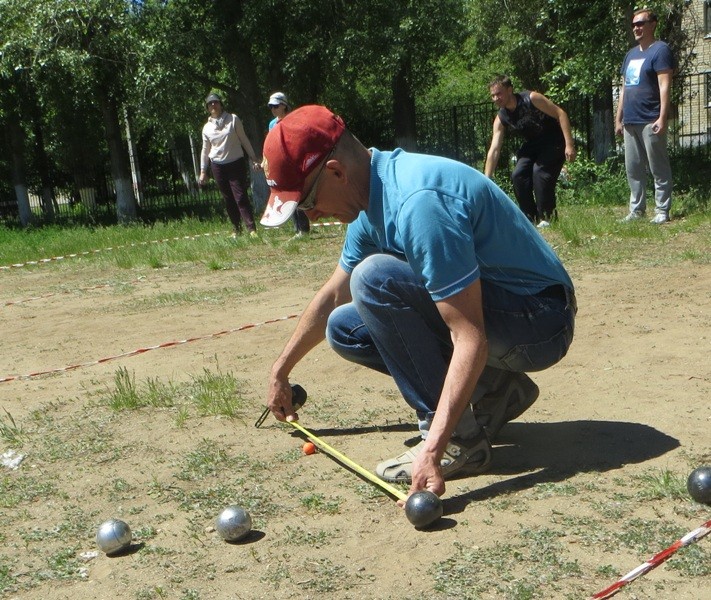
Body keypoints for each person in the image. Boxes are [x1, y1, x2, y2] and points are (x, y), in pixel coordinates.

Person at [260, 105, 577, 501]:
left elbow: (470, 336)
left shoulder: (418, 202)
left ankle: (463, 441)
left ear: (336, 172)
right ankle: (498, 390)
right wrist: (281, 369)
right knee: (344, 326)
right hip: (510, 314)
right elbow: (333, 294)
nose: (314, 214)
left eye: (307, 203)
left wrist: (433, 449)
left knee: (375, 278)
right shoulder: (368, 198)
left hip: (540, 321)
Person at [484, 75, 576, 228]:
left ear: (510, 90)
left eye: (498, 93)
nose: (495, 98)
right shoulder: (501, 117)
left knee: (539, 172)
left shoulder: (532, 98)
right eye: (492, 95)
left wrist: (569, 145)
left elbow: (561, 114)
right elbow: (494, 149)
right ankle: (530, 219)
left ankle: (547, 217)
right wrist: (487, 178)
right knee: (518, 175)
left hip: (554, 141)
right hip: (533, 145)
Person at [615, 8, 674, 224]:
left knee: (658, 167)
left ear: (653, 24)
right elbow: (624, 88)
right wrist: (618, 118)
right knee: (634, 169)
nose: (636, 28)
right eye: (634, 25)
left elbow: (664, 85)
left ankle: (662, 210)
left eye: (640, 23)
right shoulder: (630, 55)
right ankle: (637, 210)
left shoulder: (660, 50)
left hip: (651, 119)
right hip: (630, 121)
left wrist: (662, 117)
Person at [199, 92, 261, 237]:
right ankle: (236, 229)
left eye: (216, 102)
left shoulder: (233, 119)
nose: (213, 105)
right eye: (210, 103)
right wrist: (203, 171)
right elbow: (205, 150)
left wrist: (253, 158)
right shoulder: (206, 128)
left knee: (240, 196)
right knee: (228, 198)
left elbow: (244, 139)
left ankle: (251, 229)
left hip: (235, 163)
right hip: (218, 166)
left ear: (221, 104)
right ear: (207, 108)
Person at [267, 92, 310, 237]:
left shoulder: (294, 120)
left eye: (276, 106)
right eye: (270, 106)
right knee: (288, 197)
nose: (273, 109)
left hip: (295, 162)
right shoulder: (272, 124)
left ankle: (304, 229)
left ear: (284, 105)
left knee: (298, 194)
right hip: (282, 165)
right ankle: (296, 228)